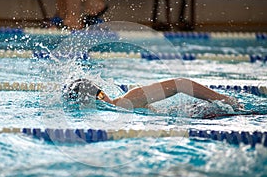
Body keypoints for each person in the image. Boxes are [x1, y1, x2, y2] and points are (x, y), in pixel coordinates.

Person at [62, 78, 242, 111]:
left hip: (201, 113)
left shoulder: (129, 99)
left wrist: (224, 99)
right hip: (197, 114)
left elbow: (180, 84)